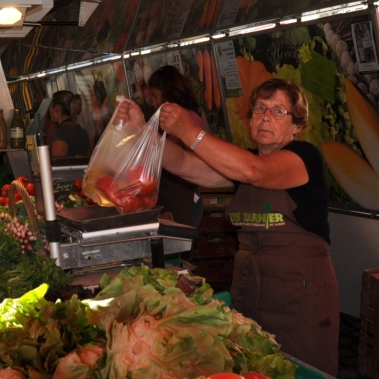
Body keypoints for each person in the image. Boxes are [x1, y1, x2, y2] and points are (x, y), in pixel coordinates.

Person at [114, 78, 339, 375]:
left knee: (300, 371)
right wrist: (142, 130)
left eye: (278, 111)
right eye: (259, 109)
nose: (266, 117)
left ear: (297, 126)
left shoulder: (305, 156)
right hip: (253, 287)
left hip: (300, 295)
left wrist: (190, 131)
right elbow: (183, 163)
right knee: (254, 366)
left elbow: (255, 171)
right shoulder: (241, 163)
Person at [144, 65, 207, 227]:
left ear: (169, 92)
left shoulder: (190, 120)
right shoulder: (161, 122)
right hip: (165, 197)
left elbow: (195, 165)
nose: (155, 101)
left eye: (156, 95)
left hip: (184, 198)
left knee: (181, 248)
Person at [49, 90, 89, 158]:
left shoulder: (61, 133)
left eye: (51, 107)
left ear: (57, 108)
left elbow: (59, 165)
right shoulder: (81, 130)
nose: (49, 111)